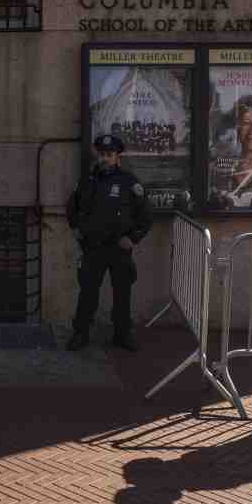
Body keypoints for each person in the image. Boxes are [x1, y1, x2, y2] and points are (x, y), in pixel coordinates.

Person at [66, 134, 154, 352]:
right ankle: (80, 333)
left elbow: (145, 215)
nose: (105, 158)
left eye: (109, 154)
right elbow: (72, 207)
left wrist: (132, 238)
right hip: (93, 248)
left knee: (122, 294)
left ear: (117, 157)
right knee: (87, 292)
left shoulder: (129, 182)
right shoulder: (87, 181)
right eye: (102, 154)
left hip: (118, 249)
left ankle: (122, 334)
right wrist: (75, 228)